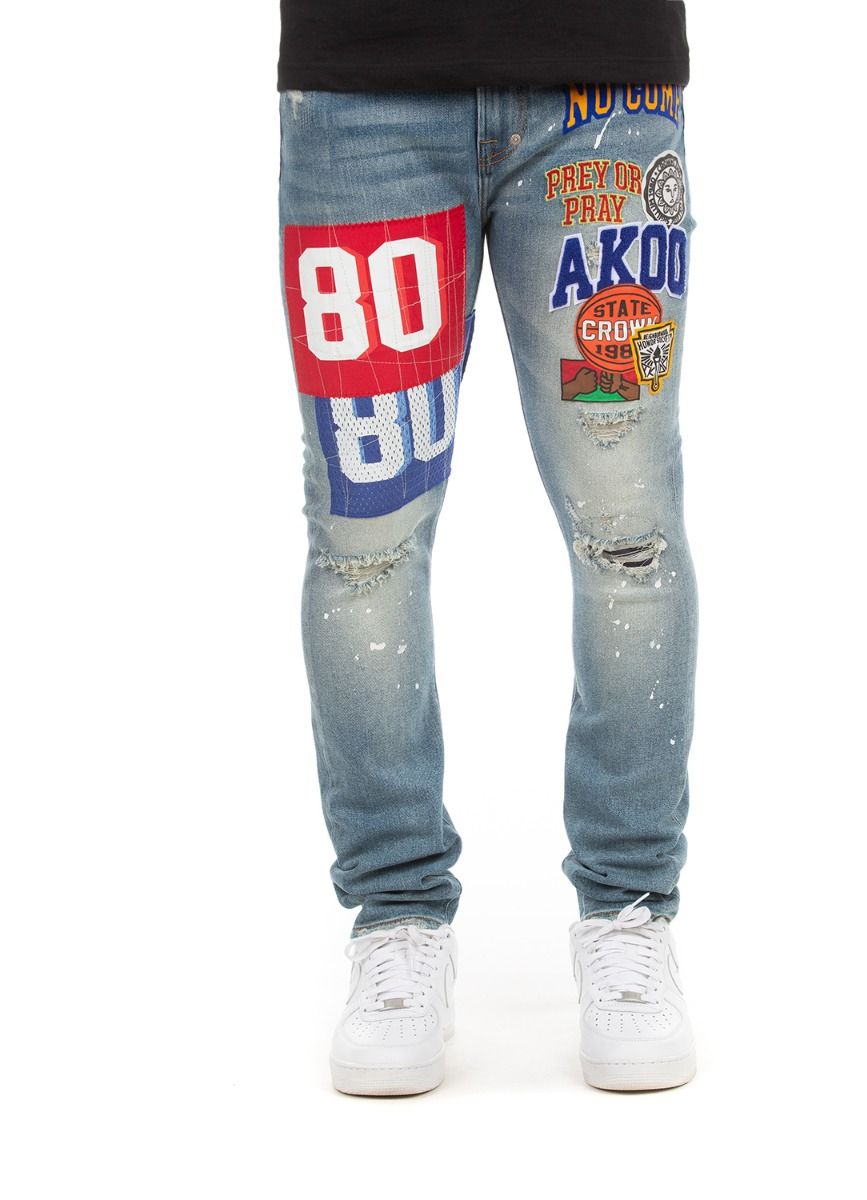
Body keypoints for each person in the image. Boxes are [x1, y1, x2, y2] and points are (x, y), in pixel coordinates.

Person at [277, 0, 699, 1095]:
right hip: (362, 90)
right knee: (366, 540)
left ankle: (630, 908)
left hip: (603, 91)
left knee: (627, 533)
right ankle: (395, 917)